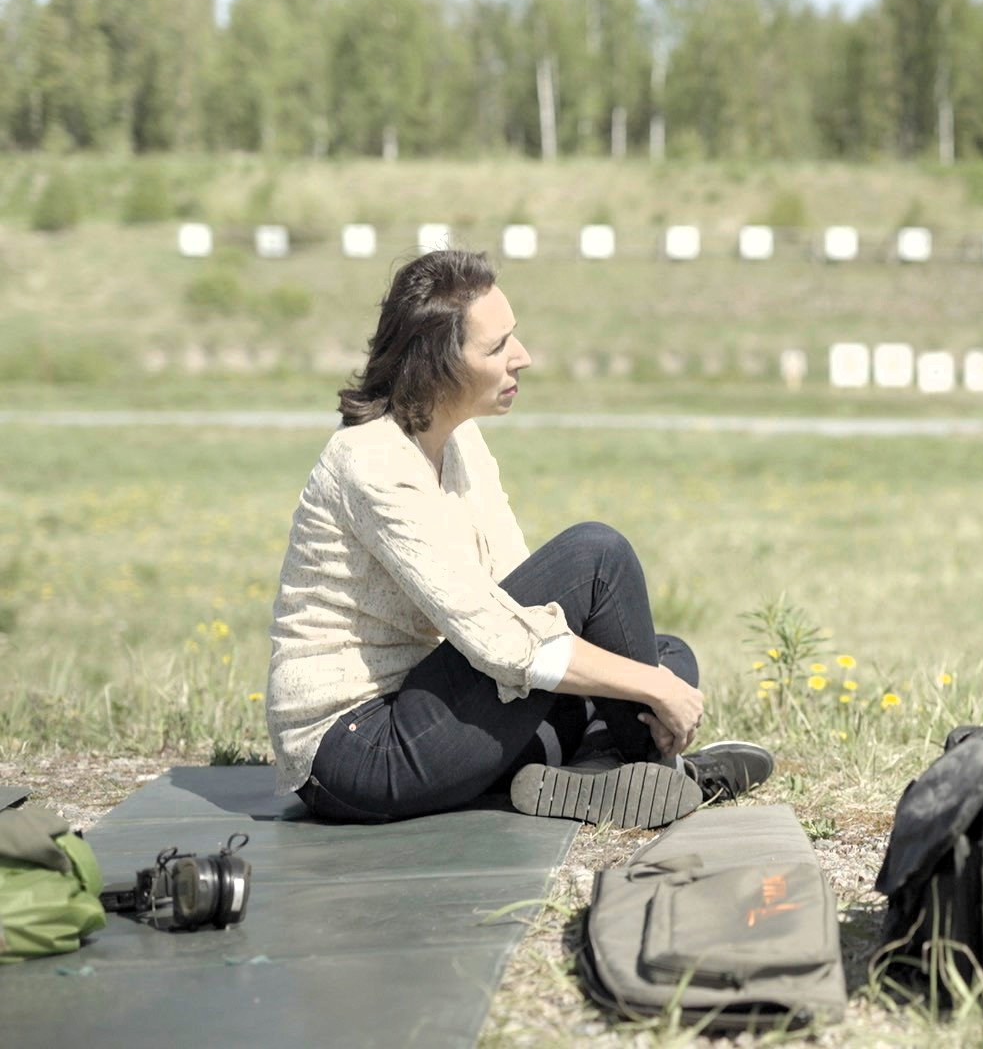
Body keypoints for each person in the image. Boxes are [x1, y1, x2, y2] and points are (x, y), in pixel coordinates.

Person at [265, 248, 772, 827]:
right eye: (497, 346)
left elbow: (531, 610)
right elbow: (507, 643)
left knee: (665, 653)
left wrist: (650, 677)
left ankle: (589, 768)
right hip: (357, 751)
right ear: (438, 364)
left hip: (428, 706)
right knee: (597, 561)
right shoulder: (370, 462)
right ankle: (643, 767)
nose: (522, 358)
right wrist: (652, 687)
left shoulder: (461, 443)